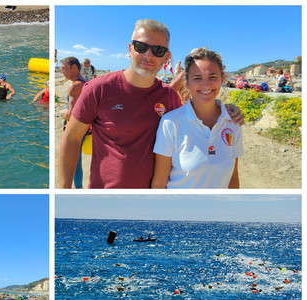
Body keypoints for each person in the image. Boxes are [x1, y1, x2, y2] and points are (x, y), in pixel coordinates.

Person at [58, 19, 243, 189]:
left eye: (158, 50)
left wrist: (224, 110)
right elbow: (72, 138)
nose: (149, 55)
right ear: (130, 49)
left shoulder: (169, 96)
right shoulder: (98, 89)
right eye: (141, 46)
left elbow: (195, 116)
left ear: (166, 57)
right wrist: (64, 191)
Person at [152, 47, 243, 189]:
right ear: (186, 82)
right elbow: (159, 183)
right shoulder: (170, 123)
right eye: (197, 78)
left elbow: (232, 178)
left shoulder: (233, 122)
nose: (206, 84)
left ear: (222, 79)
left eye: (212, 77)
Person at [61, 57, 87, 189]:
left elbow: (70, 113)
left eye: (64, 68)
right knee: (77, 160)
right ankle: (79, 187)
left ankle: (77, 188)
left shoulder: (73, 86)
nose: (62, 71)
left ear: (74, 68)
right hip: (86, 127)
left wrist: (63, 114)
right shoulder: (86, 83)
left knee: (71, 161)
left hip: (74, 129)